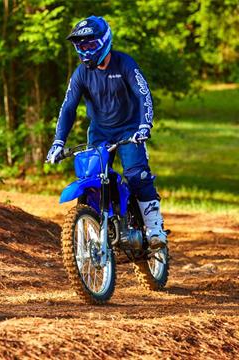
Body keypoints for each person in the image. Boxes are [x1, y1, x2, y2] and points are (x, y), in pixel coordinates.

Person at [46, 16, 167, 249]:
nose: (85, 50)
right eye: (80, 45)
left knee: (136, 176)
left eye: (90, 44)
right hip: (100, 133)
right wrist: (58, 142)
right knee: (92, 178)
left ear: (104, 41)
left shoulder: (125, 64)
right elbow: (68, 107)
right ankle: (101, 227)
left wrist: (145, 126)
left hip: (130, 130)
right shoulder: (81, 73)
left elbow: (144, 94)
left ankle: (154, 229)